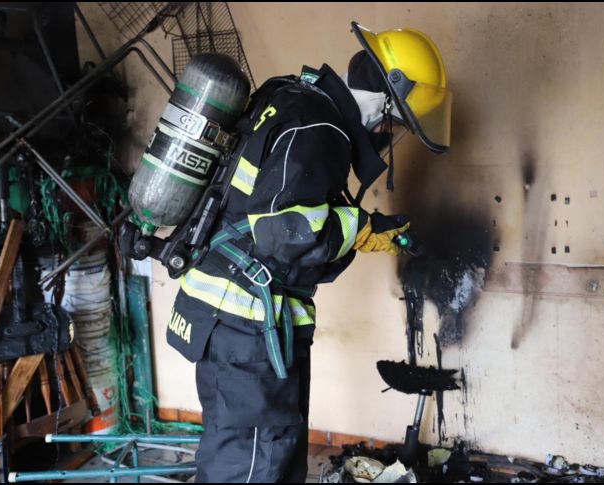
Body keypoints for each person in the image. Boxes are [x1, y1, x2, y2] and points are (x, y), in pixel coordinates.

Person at [165, 21, 452, 482]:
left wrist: (369, 229)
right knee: (255, 467)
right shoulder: (324, 130)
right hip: (247, 327)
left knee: (256, 457)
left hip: (225, 319)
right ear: (384, 101)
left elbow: (276, 205)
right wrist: (359, 226)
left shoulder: (294, 99)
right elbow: (283, 233)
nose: (389, 133)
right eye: (396, 122)